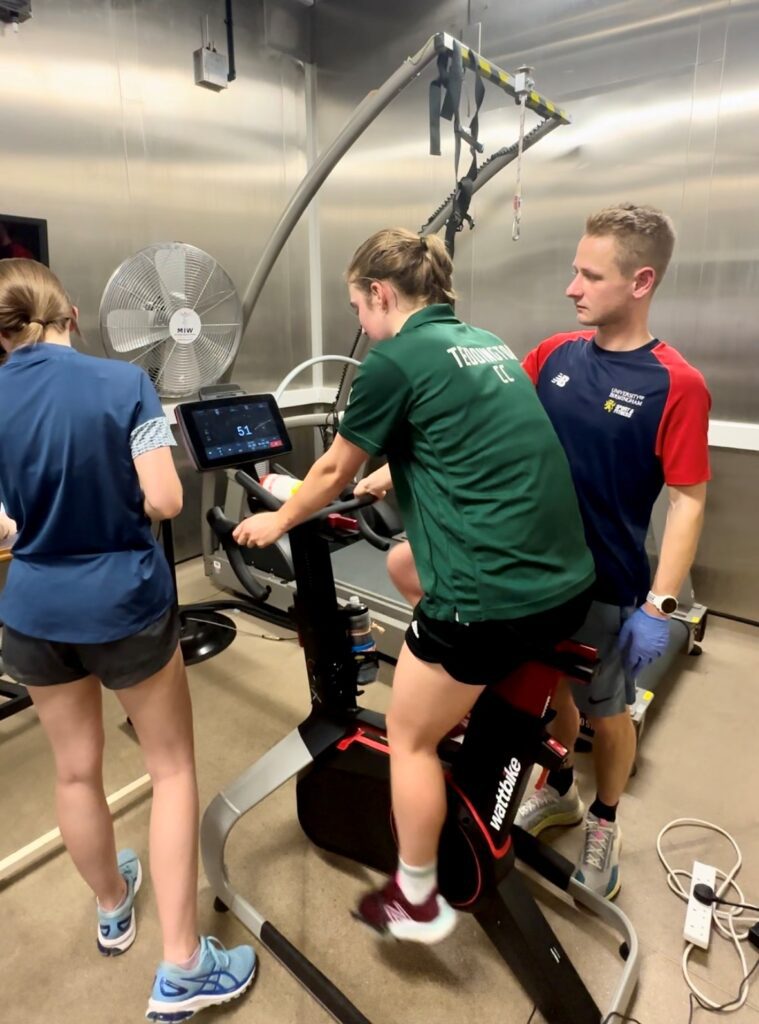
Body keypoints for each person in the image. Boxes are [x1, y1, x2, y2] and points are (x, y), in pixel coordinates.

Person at [233, 227, 596, 943]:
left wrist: (276, 524)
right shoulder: (485, 343)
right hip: (567, 583)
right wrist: (389, 470)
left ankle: (419, 898)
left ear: (380, 293)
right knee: (403, 565)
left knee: (406, 735)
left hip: (488, 600)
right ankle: (459, 697)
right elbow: (464, 436)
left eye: (358, 310)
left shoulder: (392, 360)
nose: (360, 327)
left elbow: (329, 474)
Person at [376, 204, 711, 900]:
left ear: (640, 281)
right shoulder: (553, 355)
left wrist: (660, 603)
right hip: (520, 573)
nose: (572, 287)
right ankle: (558, 784)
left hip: (603, 583)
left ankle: (604, 822)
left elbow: (687, 500)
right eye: (573, 271)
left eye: (589, 275)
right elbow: (484, 422)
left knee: (603, 709)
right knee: (536, 682)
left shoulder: (675, 385)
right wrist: (386, 470)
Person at [0, 259, 255, 1021]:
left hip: (34, 613)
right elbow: (166, 497)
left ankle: (114, 907)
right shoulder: (124, 386)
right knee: (171, 770)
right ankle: (182, 968)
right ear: (71, 314)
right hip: (125, 605)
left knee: (76, 773)